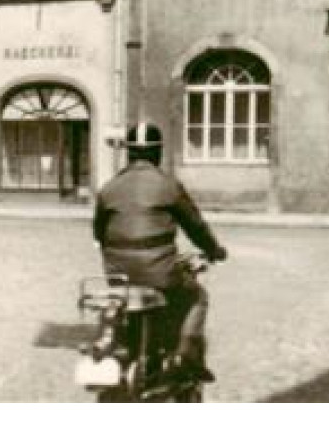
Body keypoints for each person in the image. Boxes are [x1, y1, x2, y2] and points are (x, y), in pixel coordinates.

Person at [92, 122, 228, 381]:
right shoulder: (169, 185)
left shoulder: (109, 187)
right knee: (197, 296)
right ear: (158, 153)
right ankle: (186, 356)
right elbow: (195, 226)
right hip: (159, 273)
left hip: (118, 276)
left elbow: (98, 233)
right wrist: (214, 250)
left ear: (128, 153)